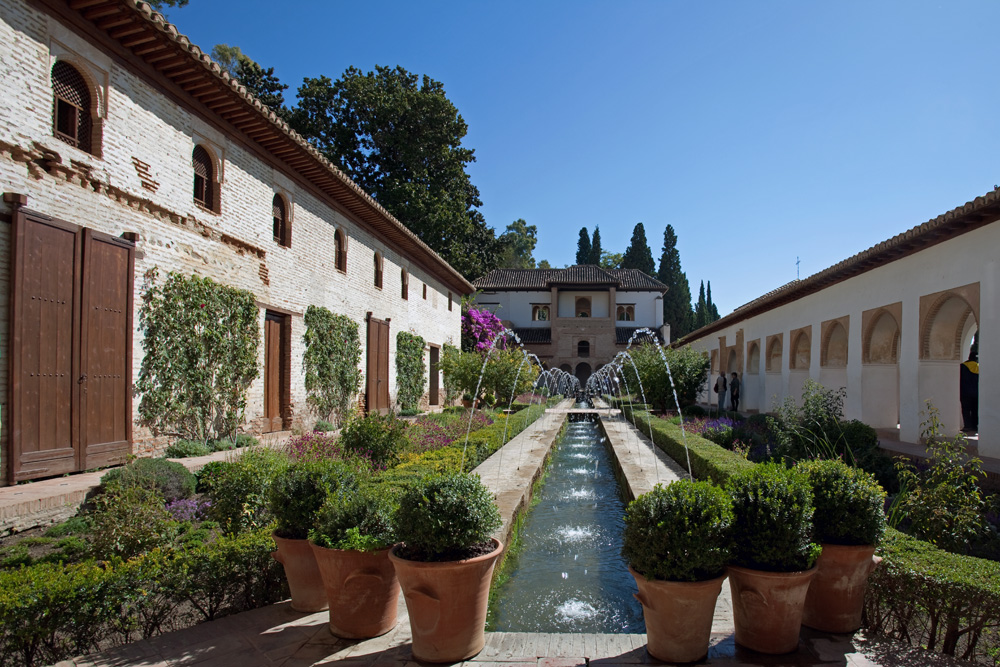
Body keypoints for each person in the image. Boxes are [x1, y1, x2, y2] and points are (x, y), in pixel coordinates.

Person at [960, 350, 979, 433]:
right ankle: (975, 426)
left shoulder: (963, 367)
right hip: (977, 393)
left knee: (966, 409)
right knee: (975, 410)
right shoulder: (979, 367)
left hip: (965, 392)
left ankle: (967, 426)